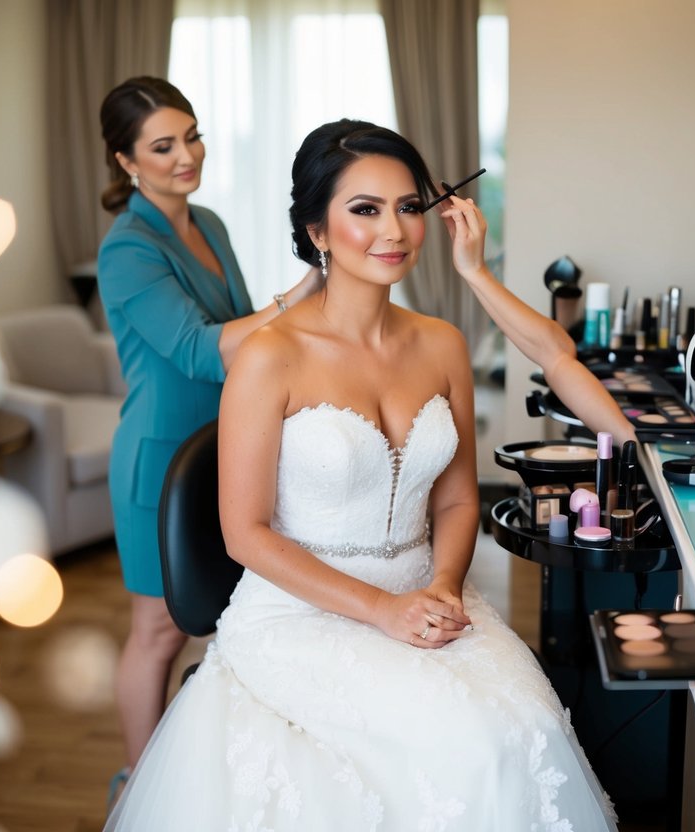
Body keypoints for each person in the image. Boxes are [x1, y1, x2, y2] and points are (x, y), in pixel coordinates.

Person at [104, 119, 617, 831]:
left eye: (408, 207)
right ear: (316, 230)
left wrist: (440, 584)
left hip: (426, 595)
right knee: (464, 748)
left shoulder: (441, 344)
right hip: (299, 613)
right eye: (364, 210)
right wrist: (381, 611)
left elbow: (458, 499)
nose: (394, 231)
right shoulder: (268, 356)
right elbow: (244, 533)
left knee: (521, 731)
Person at [96, 76, 321, 788]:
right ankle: (140, 781)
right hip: (158, 463)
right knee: (159, 630)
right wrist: (304, 290)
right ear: (126, 161)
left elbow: (252, 328)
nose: (185, 155)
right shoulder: (126, 250)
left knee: (232, 614)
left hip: (227, 447)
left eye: (191, 136)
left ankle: (206, 770)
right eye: (162, 146)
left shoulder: (210, 223)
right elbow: (200, 349)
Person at [443, 202, 638, 445]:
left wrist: (474, 269)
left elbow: (557, 352)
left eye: (408, 208)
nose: (395, 233)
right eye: (377, 209)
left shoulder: (444, 340)